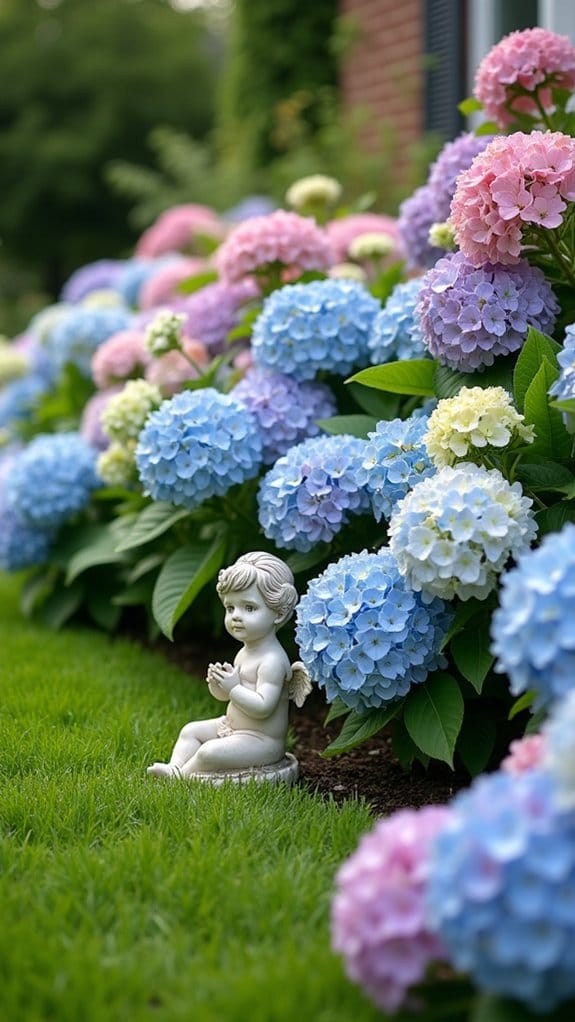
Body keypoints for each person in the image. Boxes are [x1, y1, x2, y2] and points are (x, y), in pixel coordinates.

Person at [147, 551, 311, 779]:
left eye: (249, 608)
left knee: (208, 752)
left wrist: (233, 687)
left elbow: (263, 708)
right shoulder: (245, 652)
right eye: (230, 608)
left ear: (278, 612)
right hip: (233, 728)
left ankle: (180, 778)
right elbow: (227, 698)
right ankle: (175, 767)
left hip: (262, 741)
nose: (236, 616)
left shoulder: (272, 660)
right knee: (190, 731)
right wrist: (218, 685)